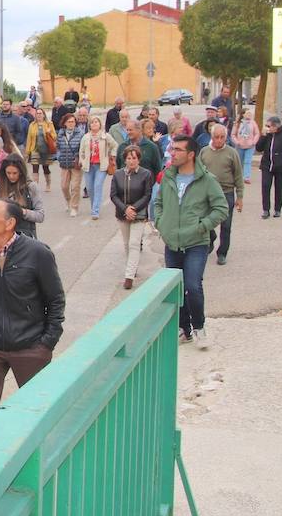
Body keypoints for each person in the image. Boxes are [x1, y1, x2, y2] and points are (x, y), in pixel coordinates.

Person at [0, 200, 65, 433]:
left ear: (10, 223)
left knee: (37, 414)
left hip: (30, 346)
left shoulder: (38, 253)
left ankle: (39, 465)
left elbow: (56, 300)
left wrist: (46, 343)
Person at [155, 136, 229, 348]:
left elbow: (221, 208)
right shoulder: (168, 176)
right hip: (172, 243)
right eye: (172, 149)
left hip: (196, 242)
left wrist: (202, 226)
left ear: (190, 154)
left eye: (178, 149)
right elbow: (158, 203)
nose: (173, 153)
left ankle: (199, 327)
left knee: (193, 286)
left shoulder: (206, 180)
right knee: (176, 288)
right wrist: (161, 223)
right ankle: (183, 328)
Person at [110, 147, 154, 289]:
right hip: (122, 213)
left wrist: (134, 208)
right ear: (125, 160)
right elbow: (114, 195)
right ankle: (132, 267)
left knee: (134, 243)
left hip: (139, 214)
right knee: (127, 243)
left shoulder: (146, 174)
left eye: (134, 158)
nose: (131, 161)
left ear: (138, 159)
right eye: (129, 158)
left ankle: (129, 276)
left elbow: (147, 195)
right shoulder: (117, 175)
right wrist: (125, 209)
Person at [200, 125, 245, 265]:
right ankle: (210, 239)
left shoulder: (232, 153)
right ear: (211, 137)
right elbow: (198, 173)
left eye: (222, 137)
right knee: (205, 221)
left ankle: (222, 253)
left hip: (226, 193)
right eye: (216, 137)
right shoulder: (204, 152)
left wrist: (240, 196)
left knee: (226, 225)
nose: (219, 140)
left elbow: (238, 175)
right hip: (208, 193)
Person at [255, 117, 282, 219]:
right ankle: (266, 209)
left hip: (280, 167)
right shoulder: (267, 136)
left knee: (279, 188)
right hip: (267, 165)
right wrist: (263, 136)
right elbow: (259, 148)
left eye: (269, 126)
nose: (267, 128)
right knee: (265, 186)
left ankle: (277, 209)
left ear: (276, 126)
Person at [0, 155, 44, 237]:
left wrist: (22, 212)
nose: (11, 176)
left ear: (21, 172)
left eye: (15, 173)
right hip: (2, 233)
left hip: (25, 235)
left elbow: (40, 216)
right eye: (8, 173)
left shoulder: (31, 187)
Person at [78, 116, 117, 220]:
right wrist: (81, 160)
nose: (94, 124)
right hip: (88, 166)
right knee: (90, 188)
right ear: (89, 125)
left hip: (101, 165)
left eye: (96, 122)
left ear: (100, 124)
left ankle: (95, 211)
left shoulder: (105, 136)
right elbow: (81, 151)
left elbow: (115, 146)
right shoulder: (85, 137)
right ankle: (94, 206)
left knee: (97, 186)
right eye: (92, 122)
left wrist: (112, 156)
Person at [54, 113, 85, 218]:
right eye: (69, 122)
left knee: (75, 187)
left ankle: (74, 207)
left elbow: (83, 148)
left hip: (76, 164)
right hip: (64, 163)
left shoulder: (80, 133)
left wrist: (79, 157)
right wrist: (59, 156)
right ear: (65, 123)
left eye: (73, 121)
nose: (71, 124)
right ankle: (68, 200)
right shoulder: (61, 134)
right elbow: (57, 147)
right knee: (64, 186)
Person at [23, 107, 55, 192]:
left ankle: (48, 184)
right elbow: (29, 138)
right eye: (37, 113)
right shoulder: (32, 125)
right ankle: (35, 186)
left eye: (40, 113)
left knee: (46, 168)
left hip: (46, 150)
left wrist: (49, 132)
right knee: (35, 168)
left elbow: (55, 137)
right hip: (35, 149)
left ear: (44, 115)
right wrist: (27, 151)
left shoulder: (49, 124)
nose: (39, 115)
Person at [234, 112, 262, 185]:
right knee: (240, 161)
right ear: (243, 115)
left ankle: (246, 177)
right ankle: (239, 177)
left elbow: (257, 133)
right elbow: (233, 134)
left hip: (250, 146)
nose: (249, 115)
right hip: (240, 145)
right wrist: (237, 142)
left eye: (250, 114)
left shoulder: (253, 123)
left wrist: (254, 142)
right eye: (247, 113)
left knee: (247, 161)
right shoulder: (238, 123)